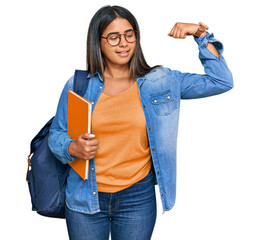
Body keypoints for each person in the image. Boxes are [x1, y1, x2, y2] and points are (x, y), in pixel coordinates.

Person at [48, 5, 233, 240]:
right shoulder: (79, 85)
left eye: (129, 34)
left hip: (137, 197)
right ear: (98, 41)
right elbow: (56, 135)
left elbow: (221, 81)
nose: (123, 43)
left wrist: (199, 34)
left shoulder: (161, 81)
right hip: (85, 196)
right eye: (113, 37)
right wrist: (72, 147)